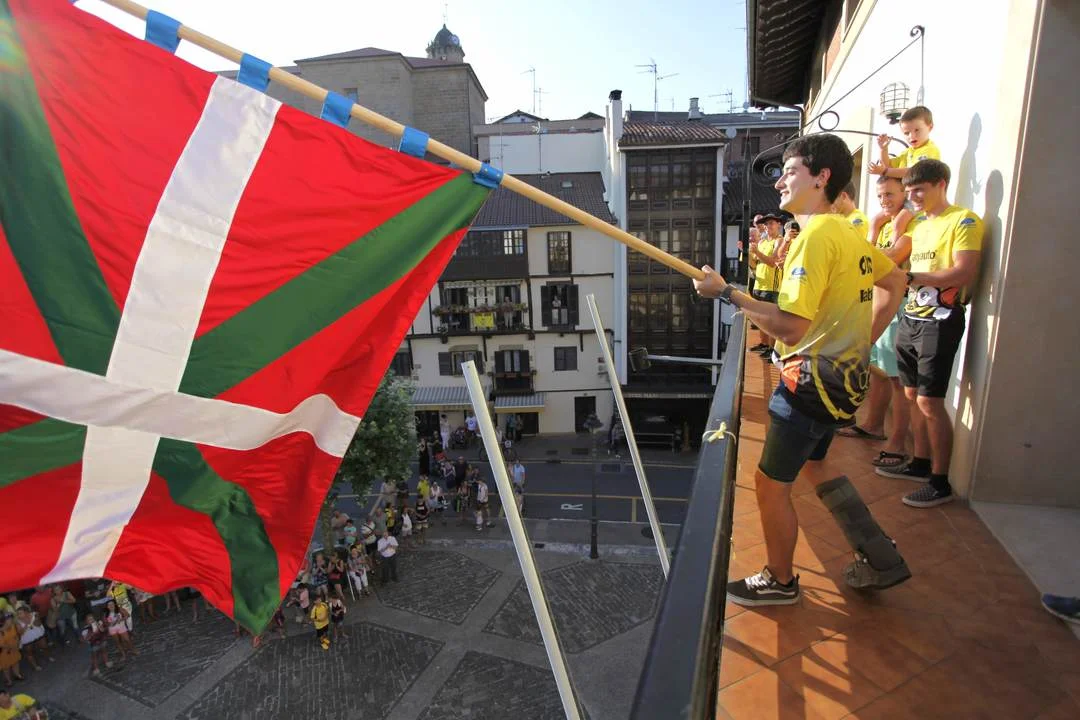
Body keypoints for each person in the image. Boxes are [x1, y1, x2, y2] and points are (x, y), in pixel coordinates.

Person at [693, 132, 912, 605]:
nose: (779, 183)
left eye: (789, 172)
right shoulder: (844, 232)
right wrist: (859, 345)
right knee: (817, 464)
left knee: (769, 485)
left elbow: (790, 329)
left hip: (809, 388)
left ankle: (780, 580)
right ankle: (879, 554)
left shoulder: (814, 238)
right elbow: (895, 281)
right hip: (842, 384)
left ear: (821, 177)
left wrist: (726, 293)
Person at [889, 159, 984, 508]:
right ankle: (919, 462)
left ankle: (940, 482)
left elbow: (963, 272)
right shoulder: (918, 225)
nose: (913, 197)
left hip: (941, 321)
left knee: (930, 401)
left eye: (919, 190)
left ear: (941, 184)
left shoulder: (964, 220)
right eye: (909, 191)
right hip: (911, 318)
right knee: (912, 394)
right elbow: (891, 257)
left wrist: (913, 278)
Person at [838, 175, 921, 470]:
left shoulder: (913, 225)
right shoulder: (883, 224)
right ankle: (873, 425)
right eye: (880, 196)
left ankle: (897, 444)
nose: (884, 201)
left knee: (898, 380)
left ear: (904, 194)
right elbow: (867, 259)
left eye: (890, 194)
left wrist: (891, 230)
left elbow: (889, 258)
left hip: (899, 309)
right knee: (879, 372)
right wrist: (875, 228)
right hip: (878, 306)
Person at [747, 212, 785, 357]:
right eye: (767, 223)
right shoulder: (762, 242)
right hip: (759, 285)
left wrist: (757, 252)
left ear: (778, 225)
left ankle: (773, 350)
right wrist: (748, 253)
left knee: (772, 321)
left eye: (771, 223)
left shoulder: (780, 241)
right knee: (761, 319)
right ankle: (764, 344)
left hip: (772, 287)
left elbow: (772, 262)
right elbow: (754, 264)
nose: (768, 226)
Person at [869, 105, 940, 180]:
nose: (912, 136)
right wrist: (883, 149)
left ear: (930, 127)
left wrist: (885, 171)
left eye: (917, 130)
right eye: (906, 133)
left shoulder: (930, 150)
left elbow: (915, 172)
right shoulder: (907, 152)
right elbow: (888, 166)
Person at [14, 607, 49, 671]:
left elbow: (38, 624)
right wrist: (26, 625)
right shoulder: (17, 622)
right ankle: (35, 666)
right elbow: (20, 633)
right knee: (29, 653)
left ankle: (48, 657)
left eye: (20, 613)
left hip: (38, 635)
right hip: (27, 639)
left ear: (26, 612)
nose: (18, 615)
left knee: (45, 646)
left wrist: (35, 619)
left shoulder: (35, 615)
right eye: (18, 614)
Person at [0, 615, 23, 687]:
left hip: (14, 649)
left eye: (11, 619)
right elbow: (1, 645)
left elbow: (17, 635)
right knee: (6, 667)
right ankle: (9, 681)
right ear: (4, 621)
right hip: (4, 653)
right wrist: (12, 647)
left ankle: (17, 675)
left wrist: (17, 643)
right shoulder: (1, 631)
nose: (11, 621)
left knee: (15, 662)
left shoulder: (13, 626)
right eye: (9, 619)